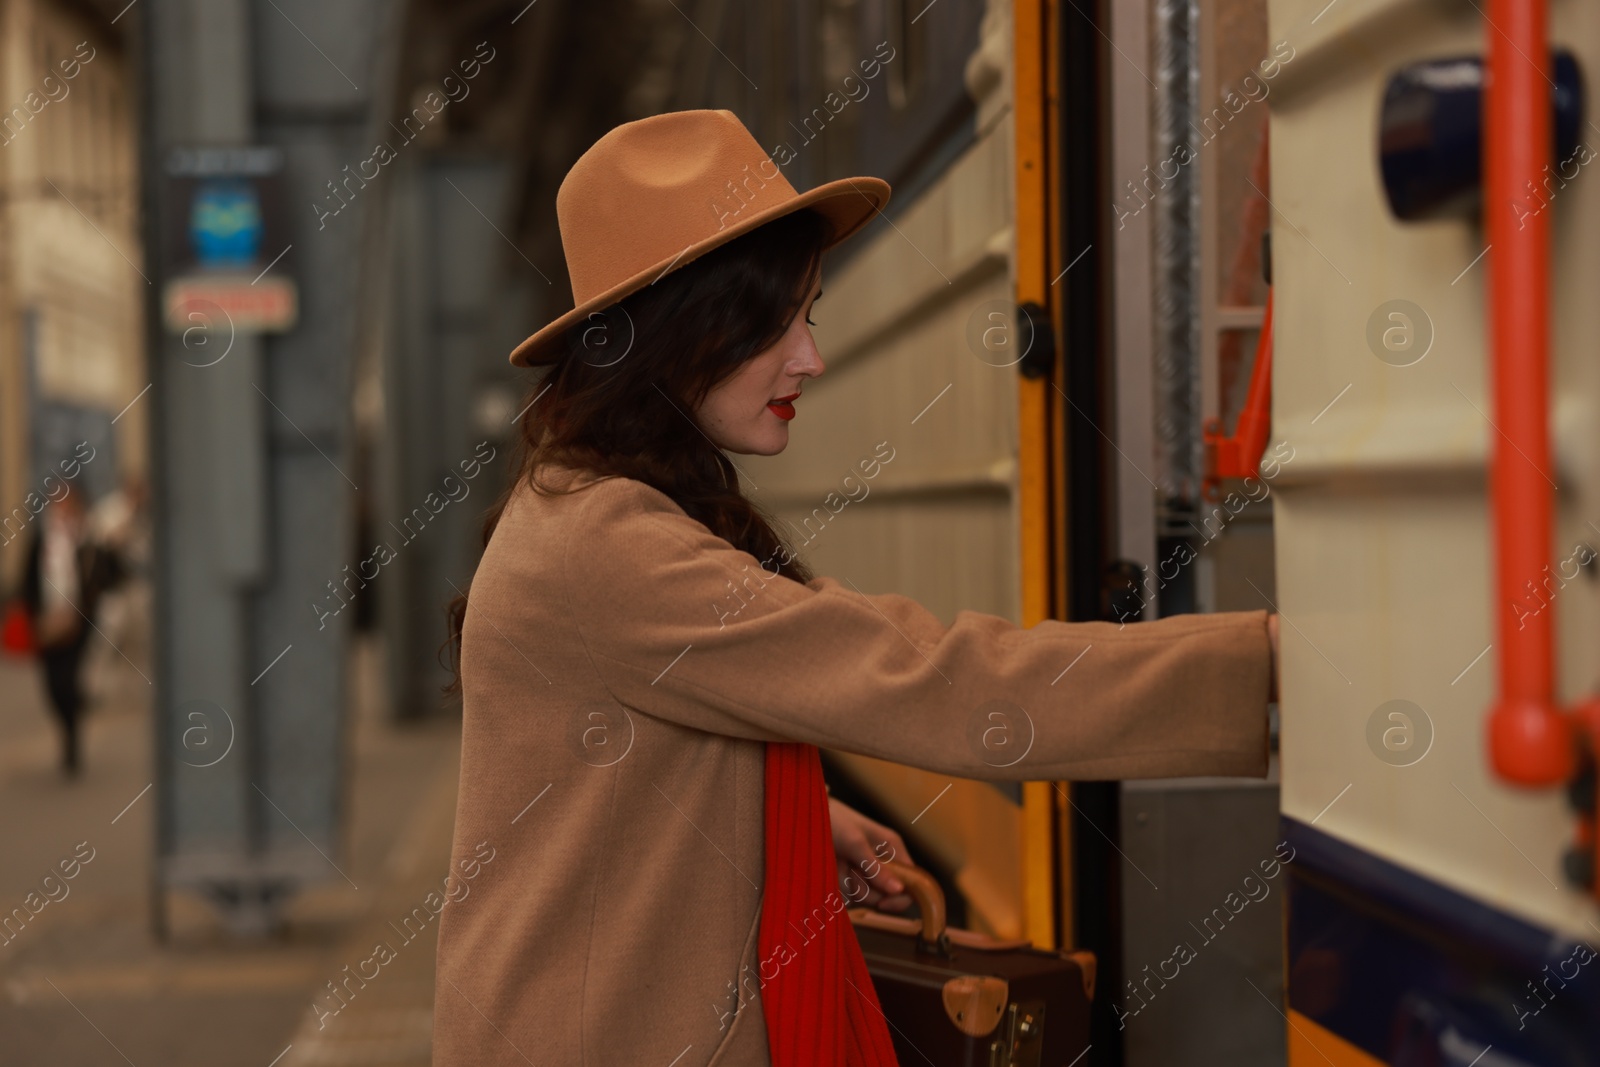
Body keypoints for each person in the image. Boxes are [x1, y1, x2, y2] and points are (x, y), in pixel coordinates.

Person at [431, 110, 1281, 1067]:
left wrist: (784, 815)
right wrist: (1265, 658)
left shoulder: (581, 505)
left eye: (811, 316)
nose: (811, 358)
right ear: (677, 336)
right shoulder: (611, 547)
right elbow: (939, 682)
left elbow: (606, 771)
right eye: (773, 326)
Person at [21, 487, 121, 776]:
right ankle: (68, 724)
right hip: (47, 626)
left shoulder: (88, 541)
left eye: (66, 506)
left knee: (69, 680)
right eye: (56, 506)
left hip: (79, 623)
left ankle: (72, 743)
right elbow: (27, 580)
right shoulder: (42, 542)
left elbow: (108, 574)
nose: (61, 511)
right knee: (52, 687)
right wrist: (35, 618)